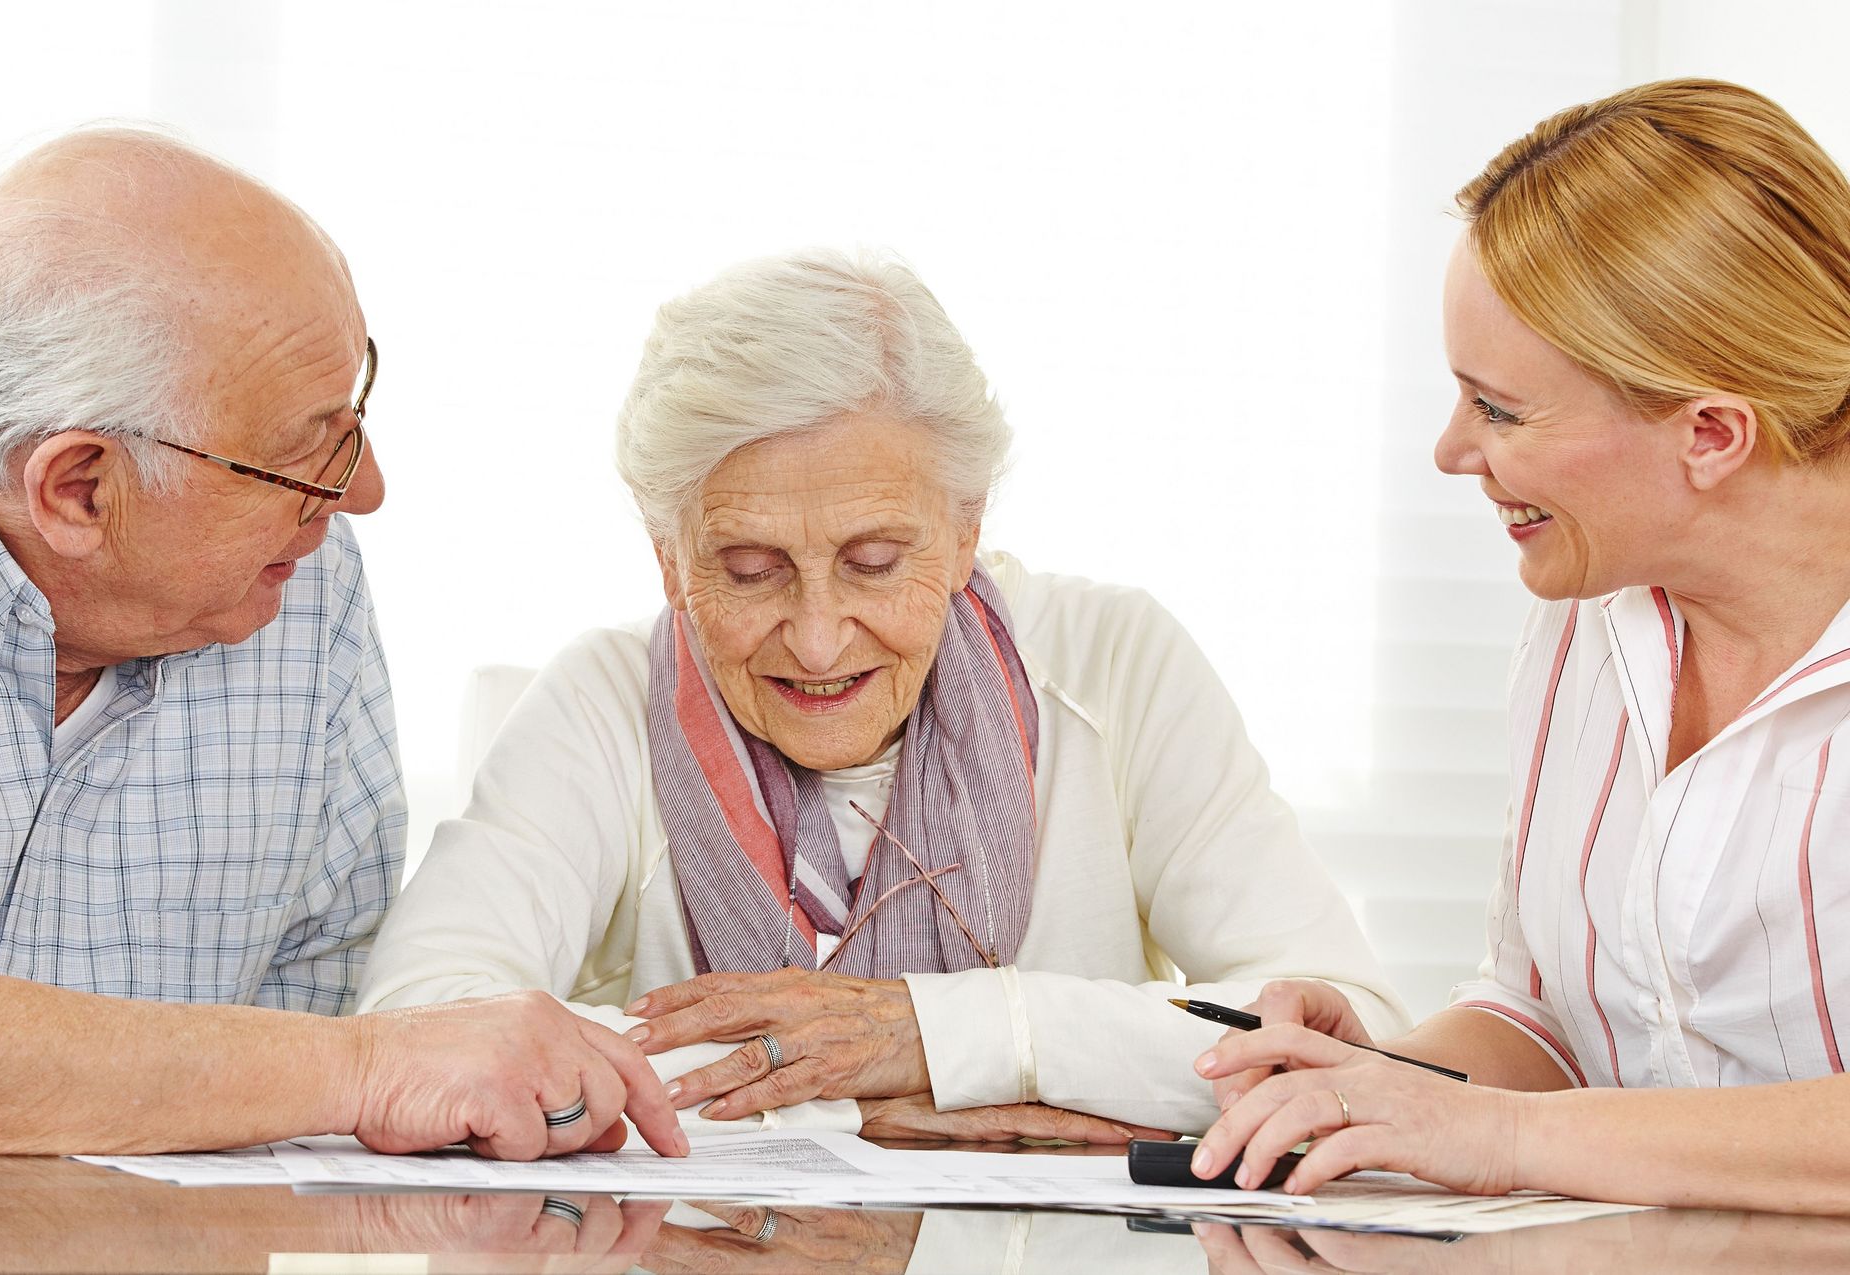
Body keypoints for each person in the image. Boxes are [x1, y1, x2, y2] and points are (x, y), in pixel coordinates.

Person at [358, 248, 1408, 1138]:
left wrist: (931, 1034)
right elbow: (420, 1025)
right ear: (668, 558)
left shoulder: (1115, 664)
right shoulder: (598, 700)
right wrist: (1060, 1071)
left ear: (965, 530)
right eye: (750, 568)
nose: (818, 639)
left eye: (872, 561)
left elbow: (1345, 1037)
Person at [0, 127, 681, 1160]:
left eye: (352, 407)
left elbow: (312, 1054)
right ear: (80, 488)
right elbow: (339, 1068)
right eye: (302, 453)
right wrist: (364, 1067)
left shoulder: (299, 589)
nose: (363, 490)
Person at [1189, 79, 1850, 1214]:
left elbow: (1523, 1133)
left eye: (1499, 410)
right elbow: (1548, 1014)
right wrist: (1376, 1085)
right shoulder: (1581, 624)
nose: (1452, 451)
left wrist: (1494, 1135)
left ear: (1709, 431)